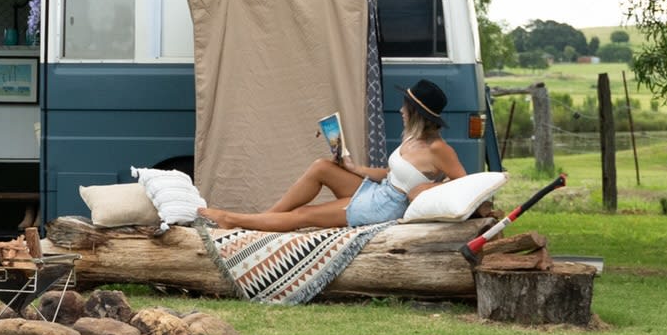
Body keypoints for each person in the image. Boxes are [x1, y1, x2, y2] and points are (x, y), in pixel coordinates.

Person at [199, 80, 468, 232]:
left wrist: (430, 188)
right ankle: (263, 221)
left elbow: (463, 186)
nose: (400, 111)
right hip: (381, 190)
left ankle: (231, 220)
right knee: (322, 167)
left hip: (386, 207)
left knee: (306, 214)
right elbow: (391, 175)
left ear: (416, 113)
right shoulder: (411, 138)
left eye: (405, 107)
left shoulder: (439, 150)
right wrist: (354, 167)